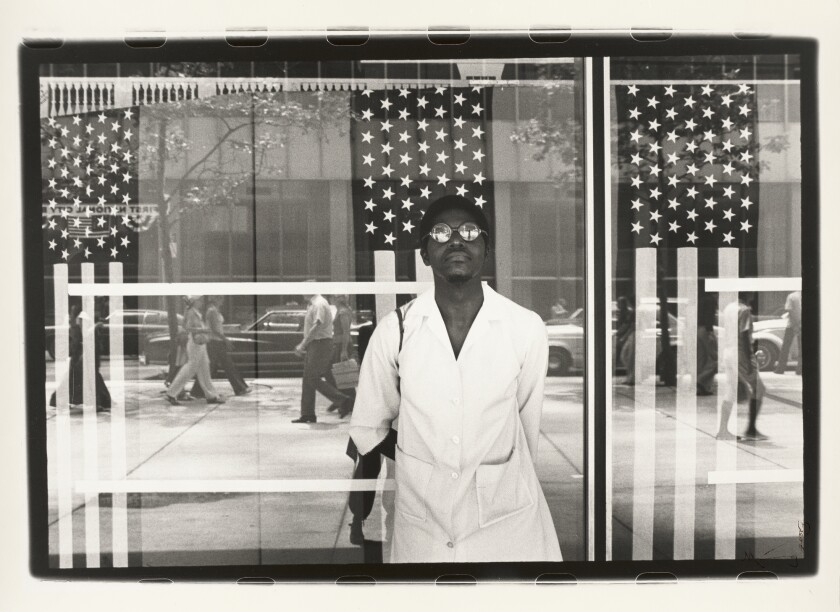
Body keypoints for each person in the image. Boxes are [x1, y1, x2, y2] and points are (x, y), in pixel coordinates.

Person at [350, 194, 562, 563]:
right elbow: (369, 427)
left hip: (508, 519)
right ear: (424, 253)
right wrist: (424, 458)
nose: (457, 240)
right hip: (423, 519)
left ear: (486, 248)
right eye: (442, 232)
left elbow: (526, 430)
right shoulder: (395, 331)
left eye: (469, 231)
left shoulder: (524, 328)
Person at [292, 287, 352, 423]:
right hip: (316, 343)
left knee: (312, 378)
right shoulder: (313, 304)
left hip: (320, 343)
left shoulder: (319, 303)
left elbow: (317, 325)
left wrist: (303, 344)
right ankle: (307, 414)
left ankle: (342, 399)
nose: (301, 291)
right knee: (307, 379)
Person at [715, 299, 767, 442]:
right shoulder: (744, 310)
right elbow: (744, 335)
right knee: (760, 389)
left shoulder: (729, 307)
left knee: (731, 391)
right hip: (741, 353)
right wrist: (749, 362)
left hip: (728, 352)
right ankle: (751, 429)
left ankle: (723, 430)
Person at [165, 296, 225, 406]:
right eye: (200, 300)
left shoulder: (194, 311)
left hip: (199, 343)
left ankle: (211, 395)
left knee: (204, 368)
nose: (202, 302)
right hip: (195, 343)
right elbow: (187, 328)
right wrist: (203, 330)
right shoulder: (191, 312)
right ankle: (172, 393)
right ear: (195, 301)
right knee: (191, 368)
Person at [50, 304, 111, 411]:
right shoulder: (81, 319)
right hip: (82, 356)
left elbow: (82, 336)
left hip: (81, 355)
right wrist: (95, 327)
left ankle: (98, 402)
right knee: (87, 380)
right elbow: (85, 335)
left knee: (78, 380)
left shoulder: (78, 320)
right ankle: (98, 402)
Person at [188, 296, 251, 398]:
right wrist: (225, 339)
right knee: (227, 365)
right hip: (214, 342)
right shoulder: (212, 311)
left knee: (213, 367)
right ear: (216, 300)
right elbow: (214, 329)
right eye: (221, 299)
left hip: (217, 341)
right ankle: (240, 388)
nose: (222, 301)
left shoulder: (214, 310)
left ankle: (197, 391)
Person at [326, 294, 355, 418]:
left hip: (342, 346)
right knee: (338, 374)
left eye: (333, 297)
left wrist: (343, 350)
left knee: (340, 375)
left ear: (339, 298)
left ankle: (345, 402)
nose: (331, 299)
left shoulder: (343, 312)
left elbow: (346, 332)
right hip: (337, 345)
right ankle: (343, 400)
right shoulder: (341, 310)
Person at [774, 290, 802, 375]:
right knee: (801, 348)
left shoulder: (792, 296)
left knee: (785, 347)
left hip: (791, 325)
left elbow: (789, 310)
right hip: (802, 324)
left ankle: (780, 369)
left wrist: (796, 324)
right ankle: (800, 370)